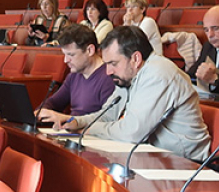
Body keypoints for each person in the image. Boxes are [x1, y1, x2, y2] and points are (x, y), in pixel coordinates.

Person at [57, 26, 209, 161]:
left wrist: (90, 129)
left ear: (135, 59)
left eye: (113, 63)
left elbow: (131, 132)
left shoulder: (158, 73)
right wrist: (77, 122)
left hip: (188, 163)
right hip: (158, 157)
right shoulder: (128, 75)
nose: (108, 71)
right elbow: (107, 115)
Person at [37, 23, 115, 123]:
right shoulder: (73, 76)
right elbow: (53, 103)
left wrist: (65, 118)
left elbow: (107, 120)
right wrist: (40, 113)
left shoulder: (109, 79)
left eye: (71, 55)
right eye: (65, 54)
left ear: (90, 50)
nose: (66, 60)